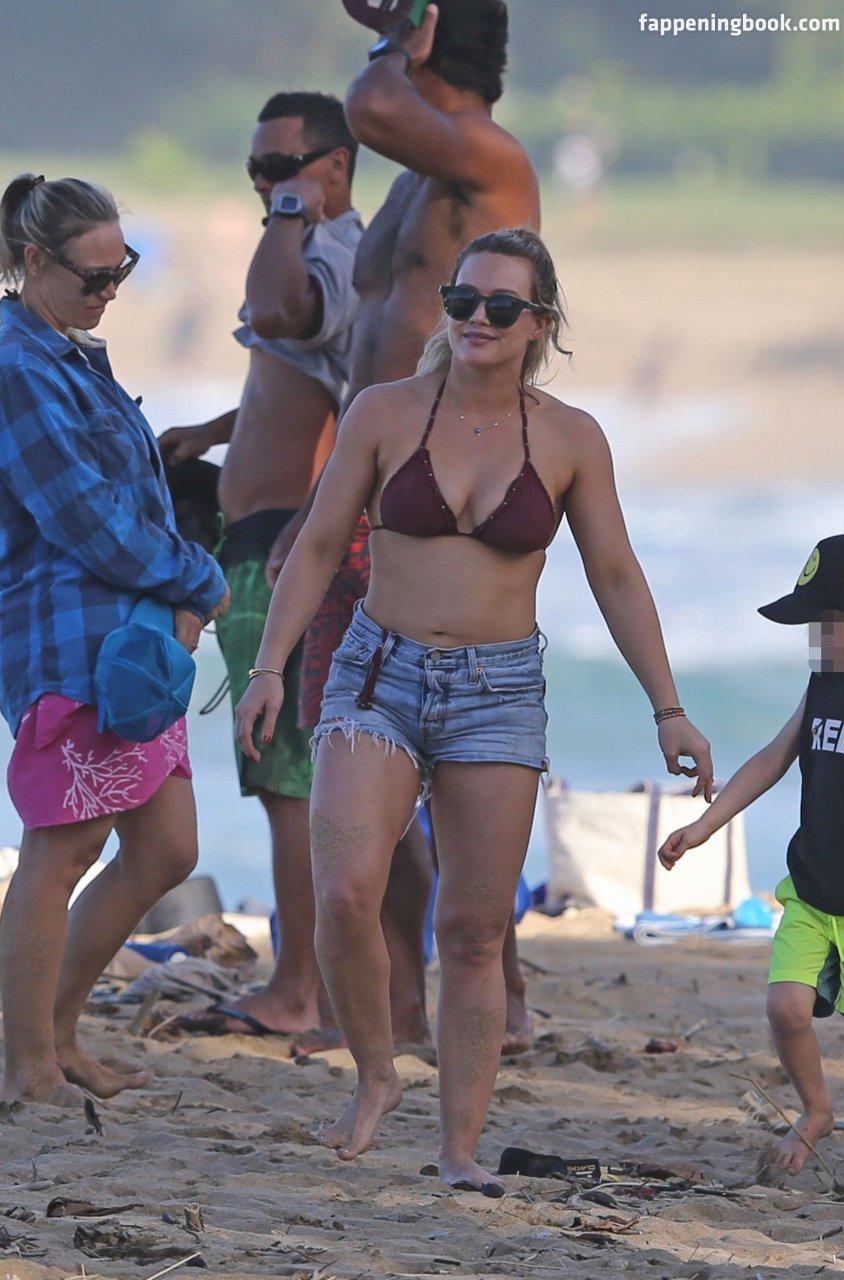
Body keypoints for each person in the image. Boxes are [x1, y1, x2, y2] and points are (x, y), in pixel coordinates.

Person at [235, 227, 713, 1192]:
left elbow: (616, 574)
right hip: (377, 672)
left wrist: (667, 707)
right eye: (462, 301)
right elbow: (319, 544)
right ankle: (376, 1073)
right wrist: (269, 667)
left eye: (500, 306)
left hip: (498, 692)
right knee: (344, 894)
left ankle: (458, 1149)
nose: (476, 320)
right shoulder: (384, 411)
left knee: (473, 931)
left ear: (540, 323)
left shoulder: (571, 438)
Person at [275, 0, 543, 1055]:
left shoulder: (487, 162)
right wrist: (321, 498)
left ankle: (499, 995)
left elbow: (372, 105)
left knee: (458, 764)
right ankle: (393, 1007)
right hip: (366, 495)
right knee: (356, 750)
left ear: (430, 35)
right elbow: (363, 354)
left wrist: (399, 38)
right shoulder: (411, 187)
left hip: (441, 501)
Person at [0, 173, 229, 1104]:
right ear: (33, 260)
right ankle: (26, 1064)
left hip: (131, 639)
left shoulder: (67, 351)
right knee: (61, 851)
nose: (110, 291)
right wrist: (199, 579)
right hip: (71, 639)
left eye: (121, 270)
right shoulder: (17, 364)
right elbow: (83, 516)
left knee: (166, 849)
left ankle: (56, 1038)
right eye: (93, 276)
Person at [158, 92, 362, 1041]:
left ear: (335, 168)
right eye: (256, 171)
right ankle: (317, 982)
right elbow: (304, 381)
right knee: (289, 775)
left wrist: (288, 214)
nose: (266, 186)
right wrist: (215, 432)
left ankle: (298, 991)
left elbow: (277, 312)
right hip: (264, 536)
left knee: (288, 782)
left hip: (288, 545)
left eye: (283, 168)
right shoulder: (324, 253)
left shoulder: (332, 252)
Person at [659, 534, 844, 1178]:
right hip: (813, 888)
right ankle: (816, 1109)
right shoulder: (822, 684)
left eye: (828, 624)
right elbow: (773, 758)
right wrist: (705, 826)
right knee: (785, 1008)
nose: (817, 640)